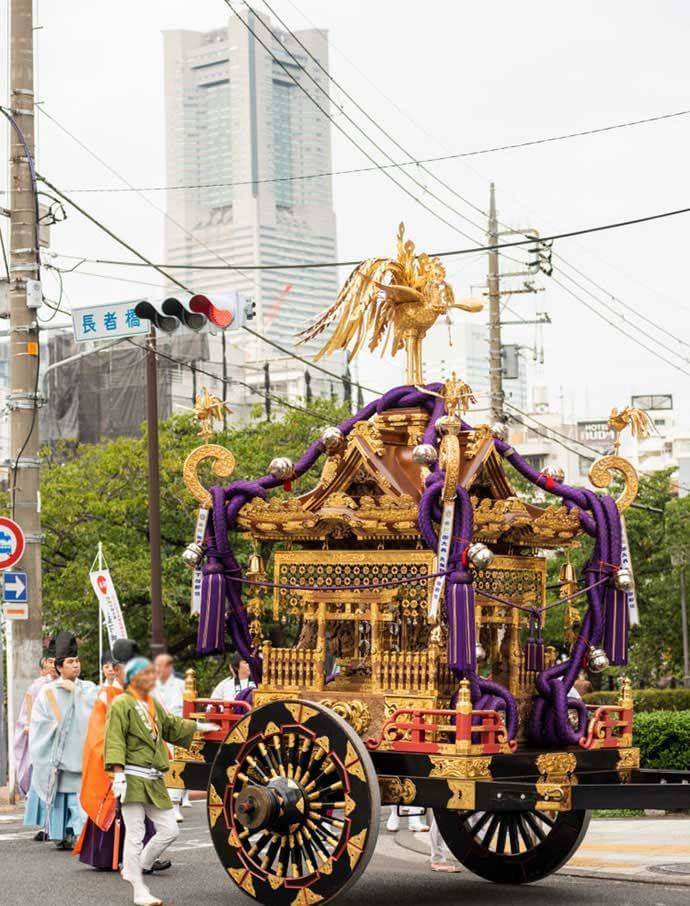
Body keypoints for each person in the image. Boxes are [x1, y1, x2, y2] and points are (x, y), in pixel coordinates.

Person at [105, 656, 196, 906]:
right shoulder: (121, 704)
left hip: (154, 779)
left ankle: (140, 866)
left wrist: (199, 727)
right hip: (132, 776)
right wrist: (119, 775)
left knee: (170, 829)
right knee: (135, 833)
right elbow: (115, 739)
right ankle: (137, 887)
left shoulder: (152, 703)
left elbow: (172, 727)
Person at [74, 639, 156, 871]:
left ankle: (138, 856)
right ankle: (123, 857)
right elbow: (101, 730)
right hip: (115, 756)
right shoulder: (107, 694)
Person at [29, 631, 98, 849]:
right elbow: (39, 725)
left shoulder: (88, 688)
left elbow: (98, 714)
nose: (76, 666)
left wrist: (77, 694)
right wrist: (57, 728)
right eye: (70, 662)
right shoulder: (47, 692)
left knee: (79, 799)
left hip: (83, 754)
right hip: (59, 756)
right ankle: (62, 834)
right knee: (61, 797)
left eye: (77, 661)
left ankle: (81, 834)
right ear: (59, 667)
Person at [17, 641, 57, 840]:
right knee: (44, 785)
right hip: (43, 743)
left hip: (60, 743)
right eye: (48, 662)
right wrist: (30, 727)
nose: (51, 665)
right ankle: (47, 826)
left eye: (53, 661)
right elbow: (27, 715)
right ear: (42, 669)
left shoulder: (66, 685)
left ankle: (57, 827)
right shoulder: (36, 688)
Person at [152, 653, 187, 821]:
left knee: (177, 767)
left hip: (177, 729)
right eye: (158, 666)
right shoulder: (151, 686)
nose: (160, 669)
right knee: (158, 767)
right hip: (158, 731)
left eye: (164, 666)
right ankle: (160, 804)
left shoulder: (182, 685)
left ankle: (175, 805)